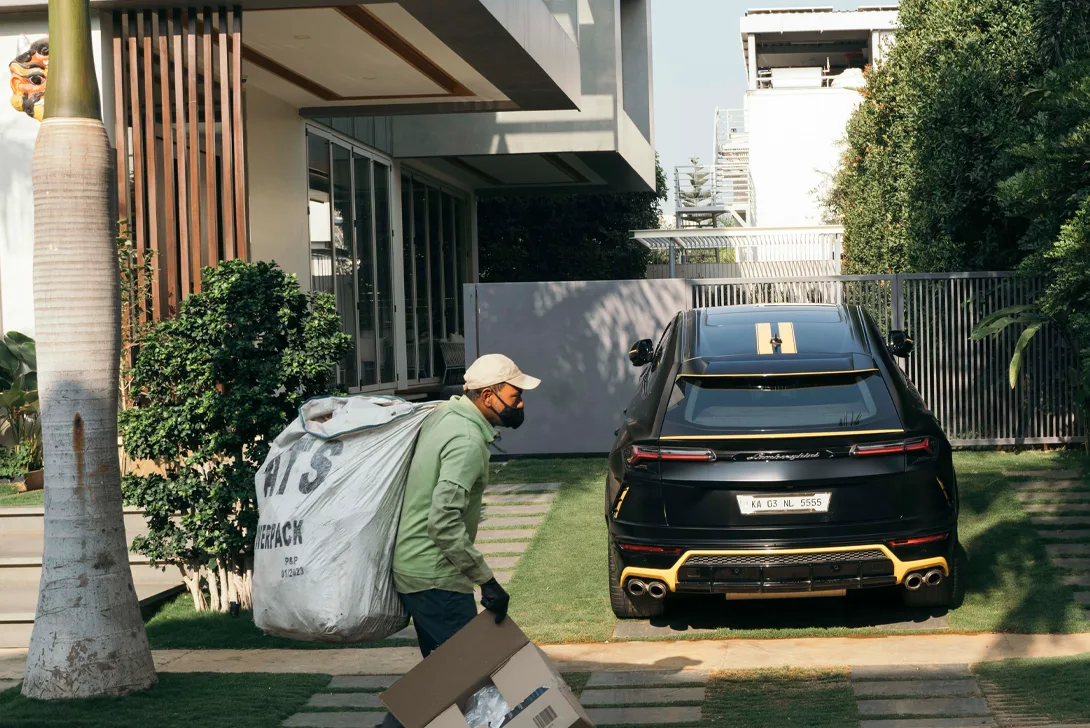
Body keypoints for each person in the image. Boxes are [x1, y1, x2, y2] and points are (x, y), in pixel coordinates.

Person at [378, 354, 540, 728]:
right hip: (437, 577)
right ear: (488, 396)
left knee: (445, 676)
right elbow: (443, 522)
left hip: (418, 570)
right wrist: (487, 580)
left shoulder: (446, 416)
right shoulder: (467, 441)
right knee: (467, 679)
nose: (520, 404)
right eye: (515, 396)